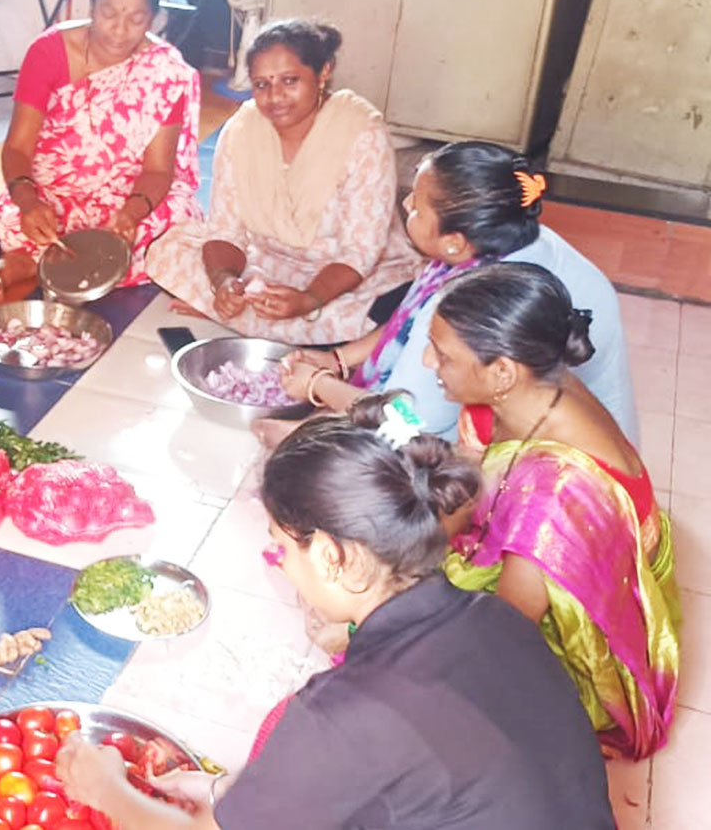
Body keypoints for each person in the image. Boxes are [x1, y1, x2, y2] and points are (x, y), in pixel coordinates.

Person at [55, 395, 614, 828]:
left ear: (331, 555)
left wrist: (109, 793)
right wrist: (231, 798)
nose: (279, 564)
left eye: (281, 544)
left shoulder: (346, 712)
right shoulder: (492, 617)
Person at [426, 263, 678, 760]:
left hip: (596, 612)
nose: (428, 362)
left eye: (442, 354)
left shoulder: (556, 497)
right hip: (530, 560)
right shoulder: (518, 389)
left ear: (500, 371)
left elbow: (505, 626)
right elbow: (465, 485)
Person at [276, 141, 638, 442]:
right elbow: (409, 324)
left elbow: (410, 422)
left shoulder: (476, 303)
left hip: (557, 472)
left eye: (416, 208)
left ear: (454, 242)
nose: (405, 207)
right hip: (580, 433)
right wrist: (339, 359)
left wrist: (318, 385)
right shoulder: (512, 235)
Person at [146, 19, 419, 345]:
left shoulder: (361, 133)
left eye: (290, 81)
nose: (275, 97)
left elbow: (360, 254)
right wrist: (223, 283)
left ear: (323, 73)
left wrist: (308, 299)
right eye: (262, 85)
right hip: (267, 263)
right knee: (166, 252)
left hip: (343, 275)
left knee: (376, 308)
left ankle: (258, 320)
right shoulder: (242, 130)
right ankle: (254, 316)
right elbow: (225, 230)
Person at [0, 0, 203, 297]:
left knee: (179, 217)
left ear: (155, 18)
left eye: (136, 18)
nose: (119, 30)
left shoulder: (165, 73)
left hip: (127, 194)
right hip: (55, 189)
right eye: (109, 13)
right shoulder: (49, 51)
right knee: (16, 216)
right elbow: (17, 147)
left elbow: (159, 171)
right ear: (91, 4)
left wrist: (131, 213)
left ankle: (35, 263)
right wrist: (28, 202)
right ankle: (40, 261)